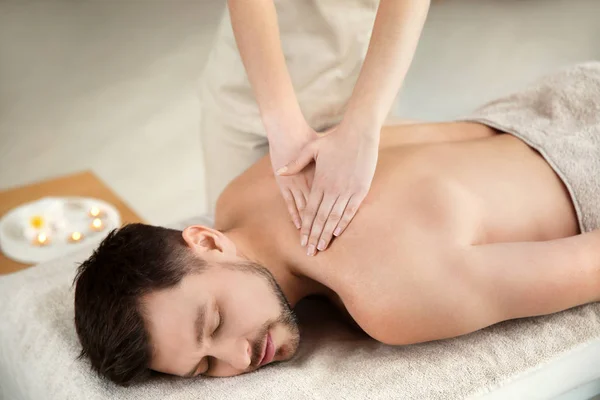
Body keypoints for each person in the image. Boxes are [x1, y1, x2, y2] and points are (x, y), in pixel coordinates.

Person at [74, 64, 600, 386]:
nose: (237, 356)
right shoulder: (247, 188)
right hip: (557, 97)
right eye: (205, 369)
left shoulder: (390, 302)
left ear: (206, 240)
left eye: (213, 324)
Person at [200, 0, 430, 256]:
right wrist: (280, 120)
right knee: (234, 244)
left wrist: (361, 127)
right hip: (249, 93)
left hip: (360, 78)